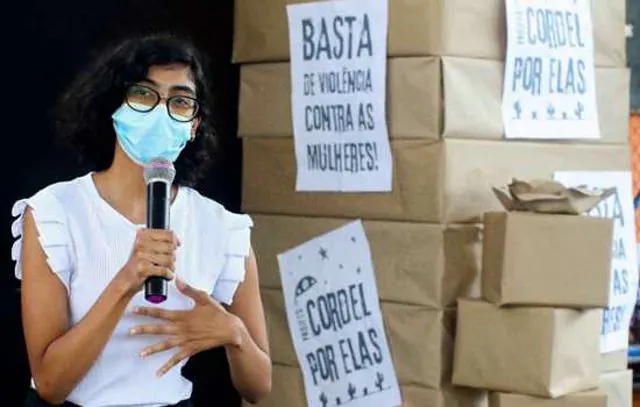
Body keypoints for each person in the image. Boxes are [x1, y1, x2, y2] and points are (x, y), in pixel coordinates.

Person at [12, 34, 272, 407]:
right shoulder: (55, 212)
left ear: (194, 124)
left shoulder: (222, 228)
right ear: (114, 105)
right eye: (144, 94)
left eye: (180, 101)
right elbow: (50, 383)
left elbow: (259, 387)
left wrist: (235, 335)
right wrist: (127, 280)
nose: (161, 111)